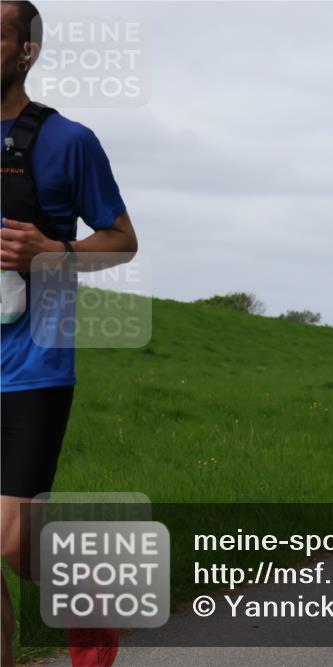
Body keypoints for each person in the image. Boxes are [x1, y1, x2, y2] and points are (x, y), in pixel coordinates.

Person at [1, 3, 138, 666]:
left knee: (6, 537)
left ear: (26, 50)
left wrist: (50, 251)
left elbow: (122, 240)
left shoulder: (66, 140)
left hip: (34, 361)